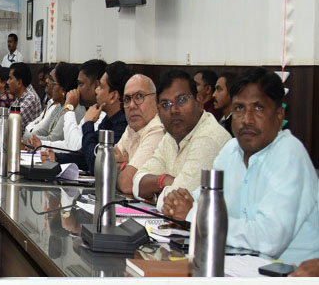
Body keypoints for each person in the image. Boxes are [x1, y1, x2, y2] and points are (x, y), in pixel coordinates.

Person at [162, 68, 318, 263]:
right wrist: (176, 203)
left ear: (279, 115)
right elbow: (200, 202)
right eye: (239, 108)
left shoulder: (289, 153)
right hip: (235, 265)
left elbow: (269, 239)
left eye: (258, 108)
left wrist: (195, 216)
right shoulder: (231, 150)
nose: (247, 120)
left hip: (290, 272)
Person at [132, 70, 231, 210]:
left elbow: (175, 203)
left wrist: (156, 192)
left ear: (199, 101)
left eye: (182, 100)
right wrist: (163, 181)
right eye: (166, 104)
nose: (174, 110)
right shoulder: (171, 136)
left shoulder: (209, 137)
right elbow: (137, 184)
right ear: (158, 111)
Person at [43, 60, 130, 173]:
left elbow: (95, 164)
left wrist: (88, 123)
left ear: (113, 96)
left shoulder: (123, 124)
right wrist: (57, 157)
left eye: (101, 87)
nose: (96, 91)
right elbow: (86, 155)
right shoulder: (108, 119)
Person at [28, 59, 104, 153]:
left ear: (96, 85)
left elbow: (76, 147)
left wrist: (69, 110)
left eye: (81, 84)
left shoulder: (78, 110)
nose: (77, 89)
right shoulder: (91, 110)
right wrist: (41, 144)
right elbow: (68, 143)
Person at [114, 74, 165, 195]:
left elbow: (127, 184)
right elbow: (103, 169)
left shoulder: (158, 129)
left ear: (155, 100)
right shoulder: (131, 127)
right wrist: (126, 168)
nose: (132, 105)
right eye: (127, 99)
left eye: (139, 96)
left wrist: (121, 167)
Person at [24, 62, 79, 143]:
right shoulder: (59, 105)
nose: (47, 82)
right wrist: (26, 136)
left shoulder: (75, 109)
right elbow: (43, 130)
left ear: (63, 88)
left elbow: (53, 140)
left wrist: (26, 137)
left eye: (52, 81)